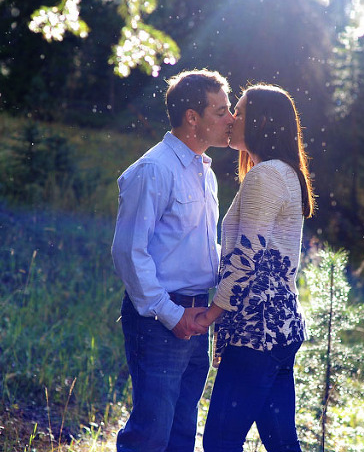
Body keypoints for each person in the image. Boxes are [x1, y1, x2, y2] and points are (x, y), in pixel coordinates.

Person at [110, 69, 234, 452]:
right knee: (151, 434)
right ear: (192, 117)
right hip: (159, 320)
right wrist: (170, 313)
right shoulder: (155, 169)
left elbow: (197, 250)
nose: (231, 119)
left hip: (197, 316)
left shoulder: (204, 172)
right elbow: (129, 252)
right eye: (221, 110)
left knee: (181, 432)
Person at [194, 84, 316, 452]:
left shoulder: (266, 175)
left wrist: (211, 314)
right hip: (280, 329)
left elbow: (248, 255)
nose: (232, 119)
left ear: (261, 122)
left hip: (256, 331)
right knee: (281, 443)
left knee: (220, 441)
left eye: (240, 113)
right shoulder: (285, 172)